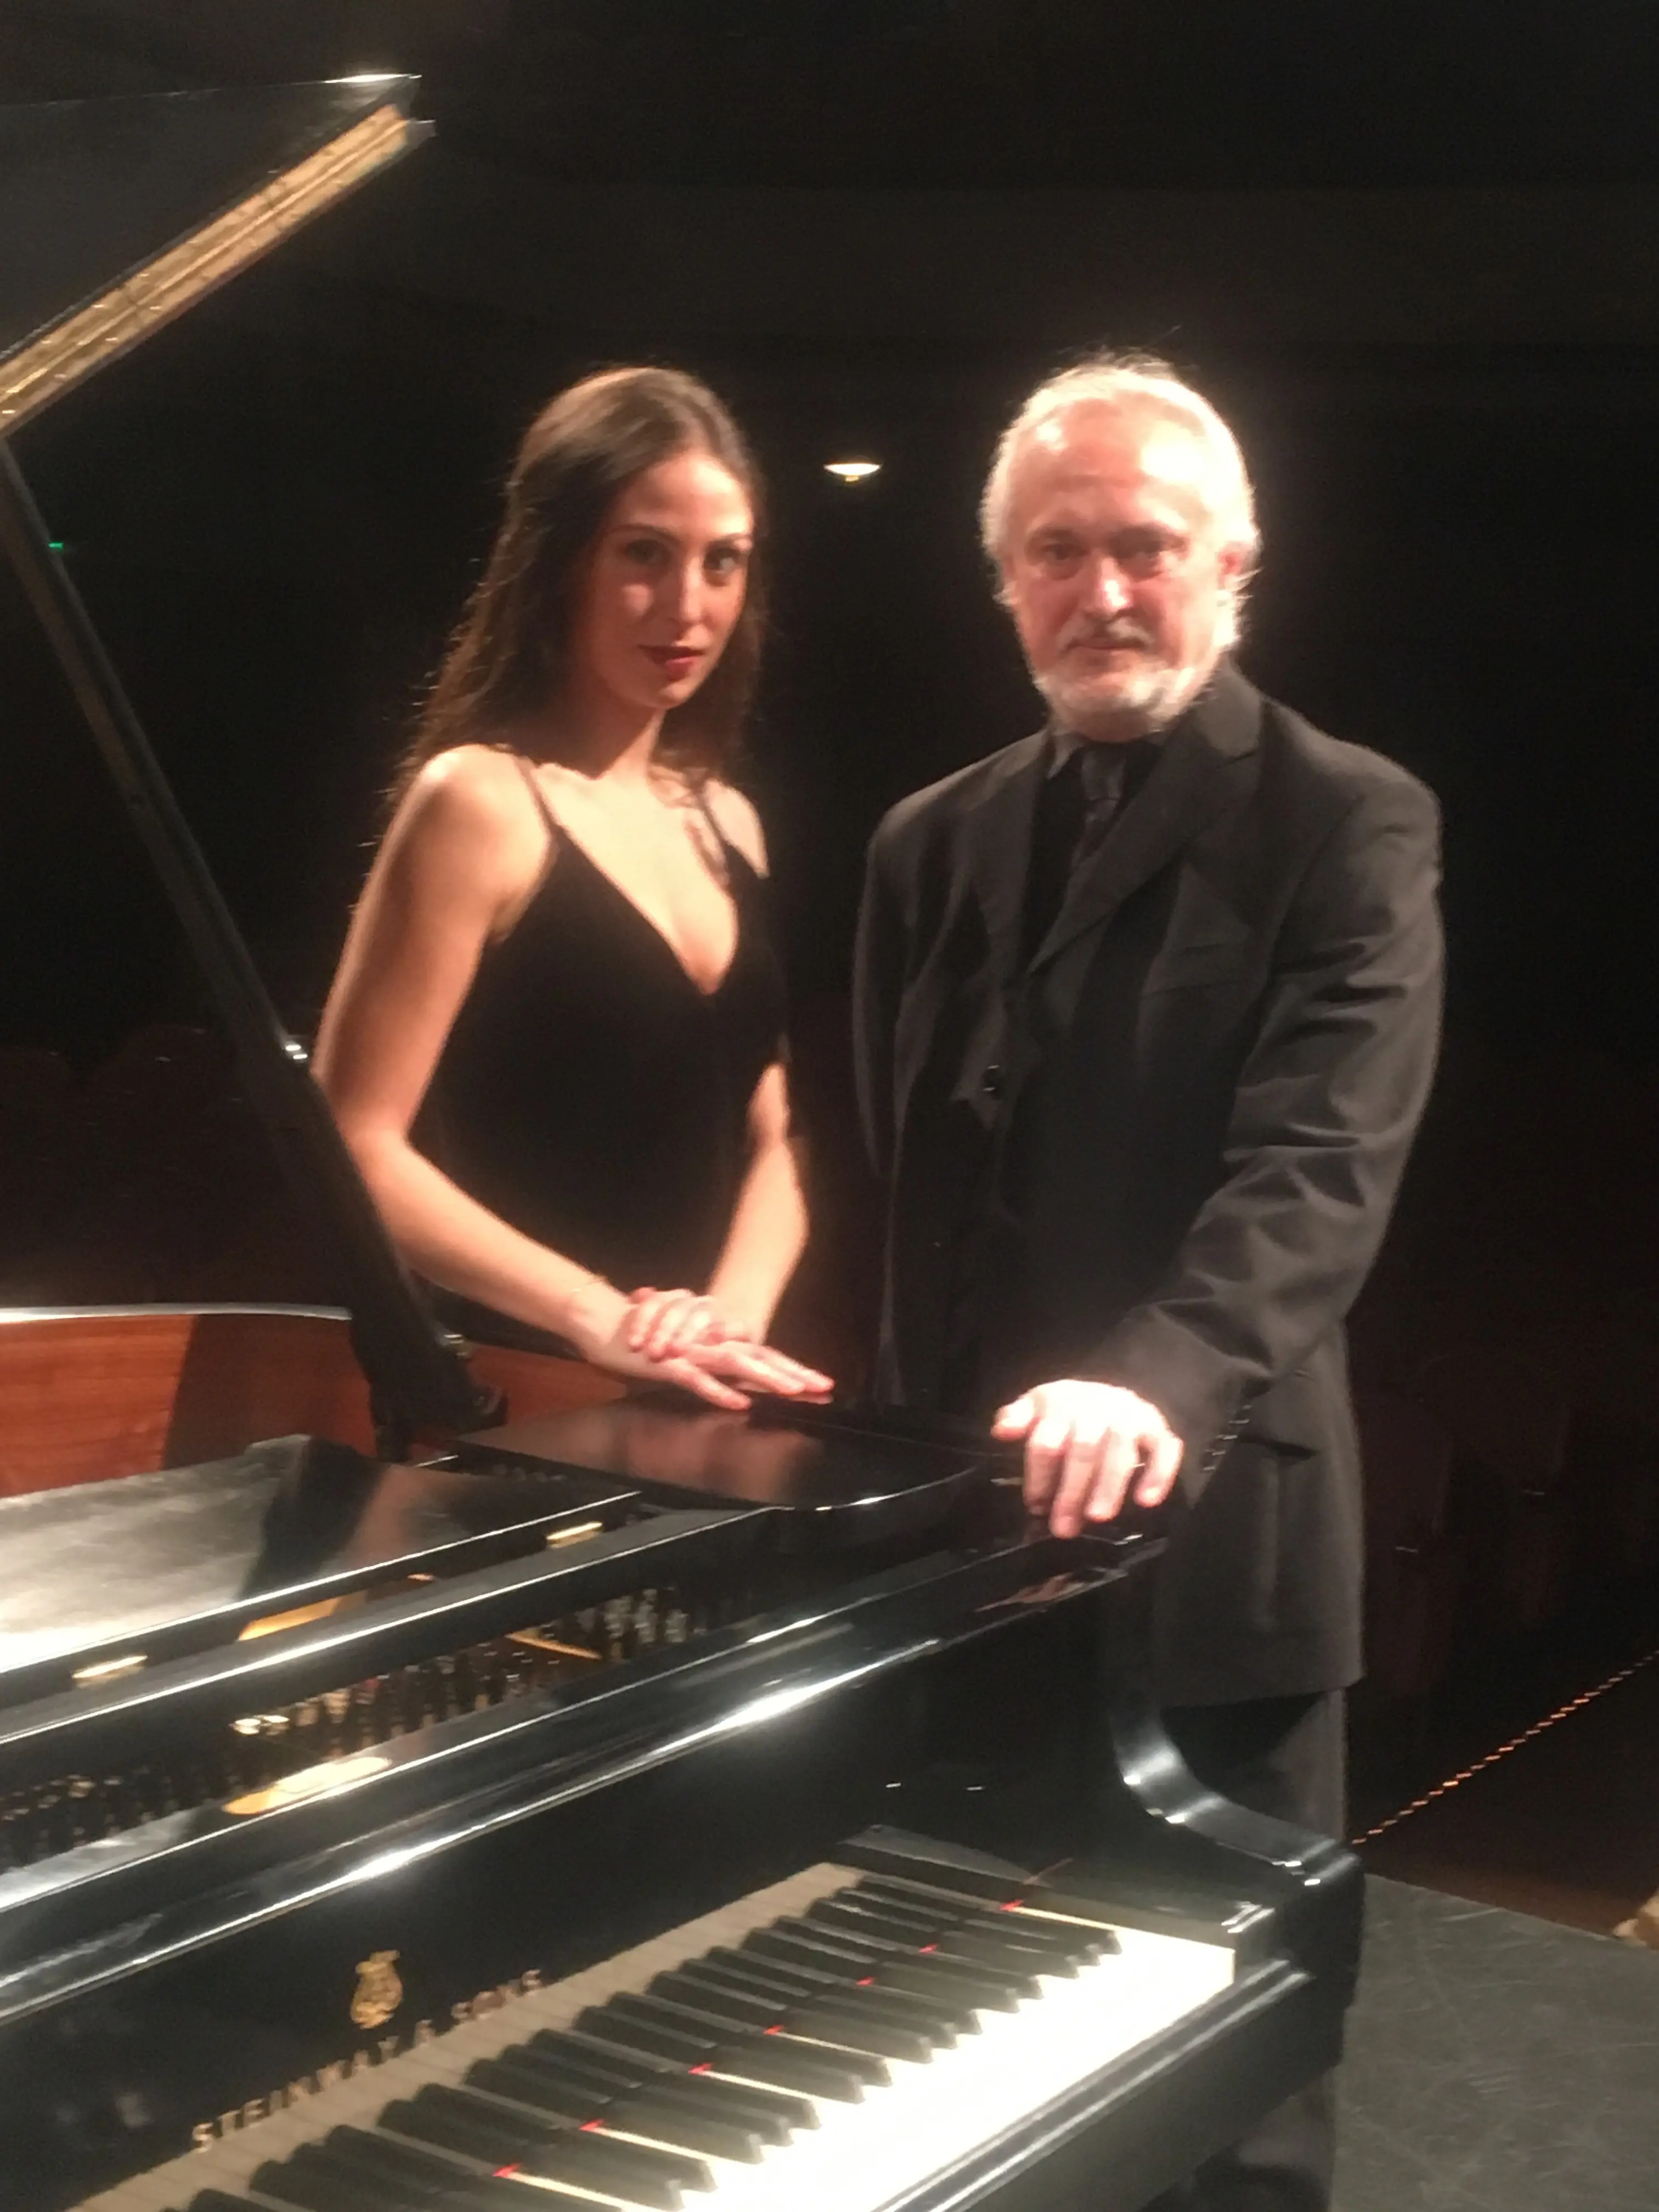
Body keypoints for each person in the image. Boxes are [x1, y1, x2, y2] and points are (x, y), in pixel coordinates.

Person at [854, 353, 1442, 2210]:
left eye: (1144, 546)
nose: (1100, 589)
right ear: (1003, 580)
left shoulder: (1347, 820)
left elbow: (1320, 1168)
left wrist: (1156, 1377)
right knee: (969, 2057)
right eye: (1056, 550)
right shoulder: (926, 841)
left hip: (1217, 1540)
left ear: (1232, 563)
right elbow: (906, 1192)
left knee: (1229, 2097)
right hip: (969, 1552)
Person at [315, 366, 828, 1412]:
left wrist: (724, 1323)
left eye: (722, 561)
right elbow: (352, 1142)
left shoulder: (730, 820)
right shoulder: (479, 801)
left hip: (699, 1388)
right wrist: (598, 1315)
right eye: (644, 554)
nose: (688, 606)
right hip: (515, 1389)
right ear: (559, 562)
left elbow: (784, 1129)